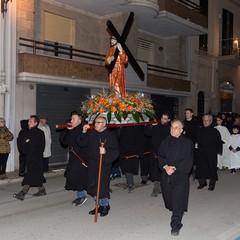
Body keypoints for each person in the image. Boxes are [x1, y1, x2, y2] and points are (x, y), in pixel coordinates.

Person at [158, 120, 193, 236]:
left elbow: (188, 161)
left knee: (178, 199)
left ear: (181, 130)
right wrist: (165, 167)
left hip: (180, 176)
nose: (173, 129)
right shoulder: (165, 140)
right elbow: (160, 156)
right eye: (172, 127)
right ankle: (177, 210)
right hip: (166, 174)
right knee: (169, 200)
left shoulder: (187, 143)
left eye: (176, 128)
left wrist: (175, 168)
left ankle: (176, 224)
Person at [81, 116, 119, 217]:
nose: (96, 124)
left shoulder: (110, 136)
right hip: (92, 164)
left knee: (102, 186)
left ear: (104, 124)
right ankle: (98, 205)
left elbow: (116, 151)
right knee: (93, 185)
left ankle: (105, 205)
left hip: (104, 164)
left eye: (98, 122)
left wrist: (106, 152)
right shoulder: (91, 133)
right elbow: (81, 143)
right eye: (95, 122)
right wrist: (84, 132)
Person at [13, 115, 46, 200]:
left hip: (36, 158)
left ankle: (22, 193)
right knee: (36, 175)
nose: (28, 122)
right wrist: (25, 142)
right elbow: (22, 142)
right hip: (29, 157)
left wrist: (27, 143)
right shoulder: (27, 132)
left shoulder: (39, 133)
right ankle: (42, 190)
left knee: (29, 175)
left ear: (35, 123)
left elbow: (39, 146)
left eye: (30, 121)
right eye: (28, 121)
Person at [59, 112, 88, 206]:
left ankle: (99, 199)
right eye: (71, 119)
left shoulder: (83, 130)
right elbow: (63, 141)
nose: (71, 121)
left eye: (73, 119)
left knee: (79, 178)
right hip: (73, 157)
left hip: (81, 158)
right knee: (74, 178)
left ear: (79, 121)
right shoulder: (72, 130)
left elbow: (83, 144)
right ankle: (81, 196)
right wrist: (67, 130)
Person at [144, 113, 171, 197]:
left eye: (165, 119)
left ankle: (165, 188)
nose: (163, 120)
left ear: (168, 120)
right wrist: (151, 126)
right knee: (155, 171)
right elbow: (147, 133)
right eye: (162, 118)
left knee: (164, 171)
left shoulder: (170, 129)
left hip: (165, 153)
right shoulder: (156, 126)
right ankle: (157, 188)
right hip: (154, 151)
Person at [195, 114, 222, 191]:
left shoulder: (215, 131)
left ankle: (211, 185)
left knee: (211, 168)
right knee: (200, 168)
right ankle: (202, 183)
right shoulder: (199, 130)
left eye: (207, 120)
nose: (205, 122)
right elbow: (196, 141)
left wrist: (217, 151)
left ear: (210, 121)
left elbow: (218, 142)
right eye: (204, 120)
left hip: (211, 152)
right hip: (201, 152)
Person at [119, 126, 144, 193]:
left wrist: (139, 152)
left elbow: (139, 139)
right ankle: (129, 183)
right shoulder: (123, 128)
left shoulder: (136, 128)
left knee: (128, 168)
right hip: (124, 150)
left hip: (132, 150)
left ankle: (131, 184)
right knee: (125, 168)